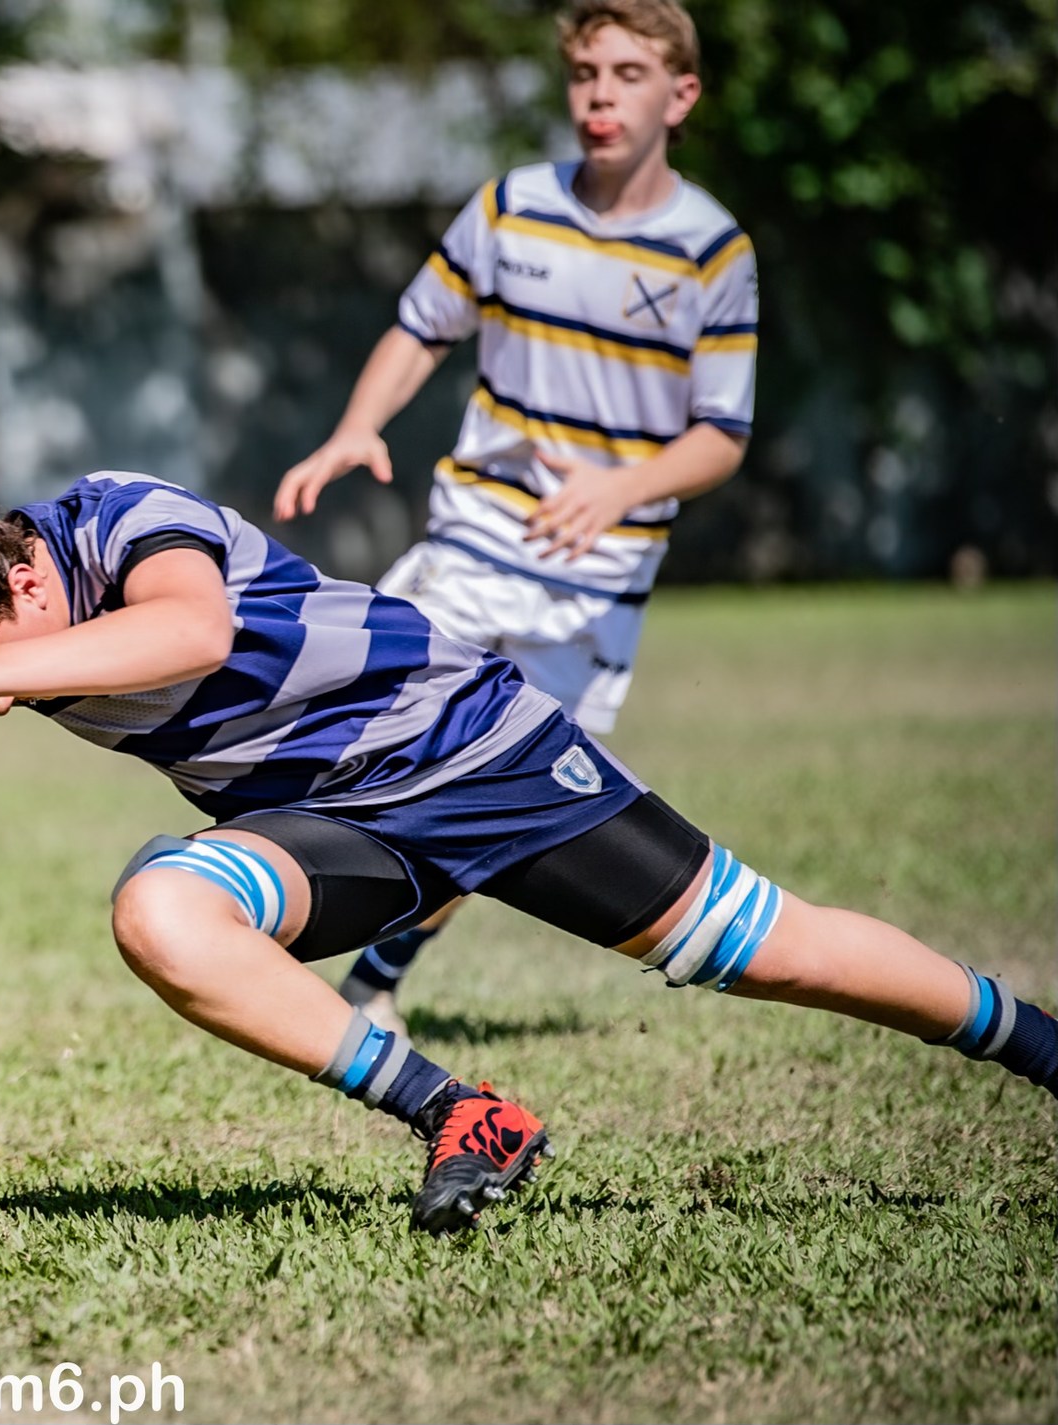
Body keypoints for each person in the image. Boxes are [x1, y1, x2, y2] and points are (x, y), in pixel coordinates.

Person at [0, 474, 1058, 1236]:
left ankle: (1041, 1049)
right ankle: (460, 1114)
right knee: (164, 910)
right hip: (333, 830)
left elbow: (191, 635)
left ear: (26, 582)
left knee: (765, 950)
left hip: (480, 756)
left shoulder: (112, 518)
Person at [273, 0, 756, 1037]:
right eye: (585, 71)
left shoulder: (712, 254)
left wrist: (614, 490)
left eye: (627, 73)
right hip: (474, 530)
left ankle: (374, 980)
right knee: (367, 706)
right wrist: (353, 429)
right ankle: (270, 890)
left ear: (679, 95)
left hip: (598, 572)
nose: (598, 93)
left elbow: (719, 435)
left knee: (499, 801)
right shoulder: (507, 208)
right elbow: (418, 326)